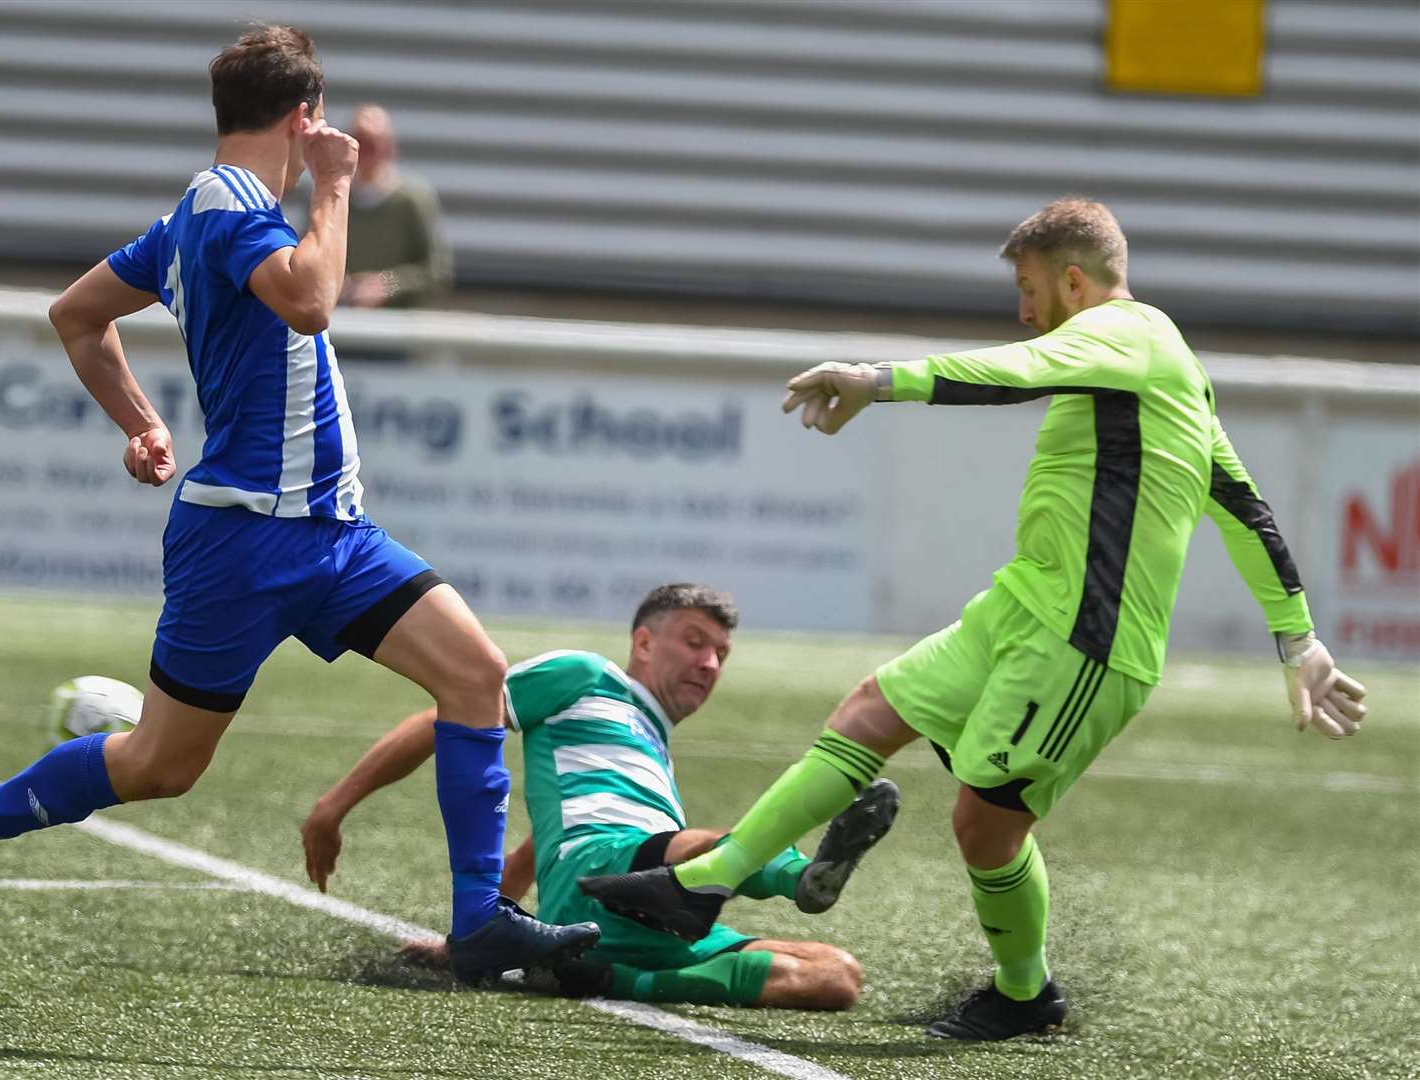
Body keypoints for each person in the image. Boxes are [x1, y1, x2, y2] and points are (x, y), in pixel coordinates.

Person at [0, 24, 597, 985]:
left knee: (477, 675)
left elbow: (74, 313)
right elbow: (310, 302)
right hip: (243, 543)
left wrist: (140, 423)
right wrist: (337, 183)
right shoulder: (230, 211)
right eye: (322, 121)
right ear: (306, 116)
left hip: (332, 535)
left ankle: (478, 923)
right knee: (158, 766)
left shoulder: (200, 211)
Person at [579, 198, 1370, 1039]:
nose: (1024, 311)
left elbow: (1018, 375)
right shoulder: (1150, 367)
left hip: (1084, 644)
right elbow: (1246, 507)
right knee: (869, 711)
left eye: (1031, 289)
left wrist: (876, 381)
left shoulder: (1129, 335)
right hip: (1018, 610)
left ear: (1074, 279)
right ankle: (705, 883)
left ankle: (1025, 994)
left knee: (984, 829)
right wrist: (1300, 639)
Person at [301, 584, 898, 1010]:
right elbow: (444, 720)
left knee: (835, 977)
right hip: (604, 870)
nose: (709, 663)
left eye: (720, 654)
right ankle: (802, 879)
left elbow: (533, 849)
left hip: (653, 909)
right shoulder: (585, 676)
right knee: (713, 847)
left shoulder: (654, 741)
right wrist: (334, 807)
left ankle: (607, 977)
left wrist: (470, 939)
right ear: (643, 641)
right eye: (694, 642)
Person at [338, 104, 452, 309]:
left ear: (390, 147)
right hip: (342, 320)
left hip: (399, 327)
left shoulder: (413, 199)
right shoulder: (333, 197)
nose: (368, 154)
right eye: (361, 143)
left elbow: (436, 270)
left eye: (374, 145)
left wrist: (388, 284)